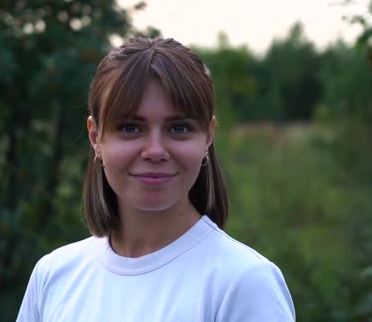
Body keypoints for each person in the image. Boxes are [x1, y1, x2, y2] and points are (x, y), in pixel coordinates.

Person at [17, 37, 296, 321]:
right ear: (95, 136)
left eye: (178, 128)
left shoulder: (244, 283)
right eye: (129, 127)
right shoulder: (53, 277)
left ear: (208, 135)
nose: (155, 151)